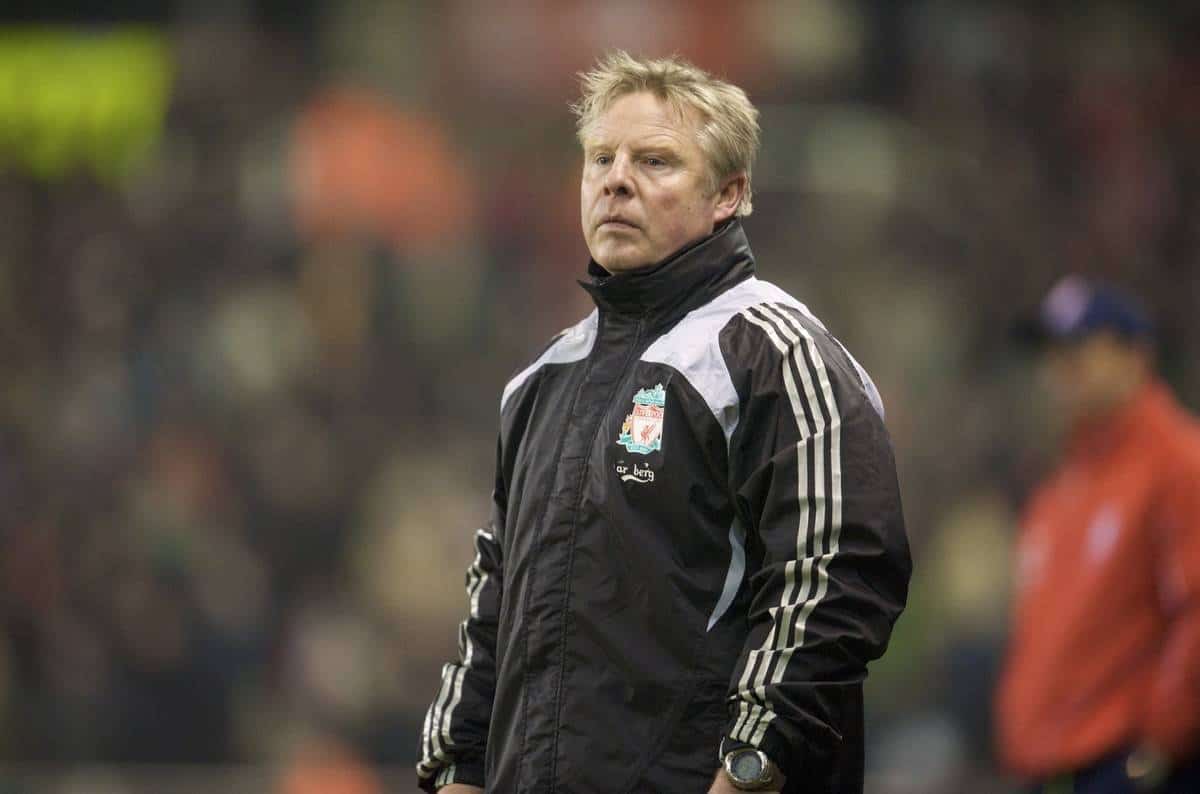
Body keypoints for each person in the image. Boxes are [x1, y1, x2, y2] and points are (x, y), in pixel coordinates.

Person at [416, 52, 911, 794]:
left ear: (729, 194)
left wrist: (751, 770)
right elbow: (494, 603)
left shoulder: (774, 350)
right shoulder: (542, 380)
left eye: (655, 160)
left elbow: (835, 579)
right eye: (600, 159)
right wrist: (456, 766)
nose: (616, 179)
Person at [996, 276, 1200, 793]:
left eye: (1080, 348)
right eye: (1051, 352)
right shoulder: (1061, 486)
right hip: (1049, 770)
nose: (1060, 368)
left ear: (1136, 355)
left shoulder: (1177, 463)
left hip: (1127, 770)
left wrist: (1163, 741)